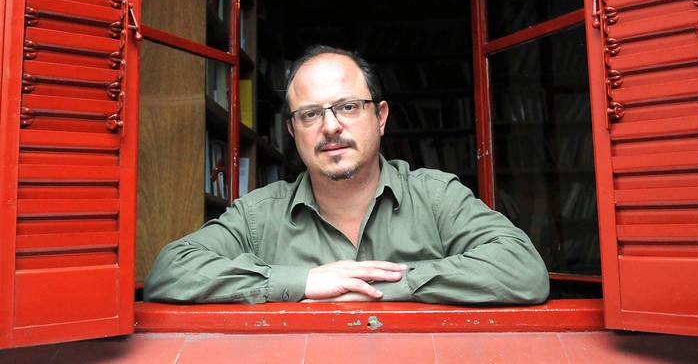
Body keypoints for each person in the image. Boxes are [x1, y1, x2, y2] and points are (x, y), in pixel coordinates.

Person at [144, 45, 549, 305]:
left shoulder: (437, 197)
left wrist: (385, 286)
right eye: (310, 114)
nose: (331, 126)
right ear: (292, 132)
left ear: (381, 117)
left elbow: (523, 270)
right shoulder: (257, 216)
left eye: (348, 107)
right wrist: (303, 282)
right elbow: (170, 271)